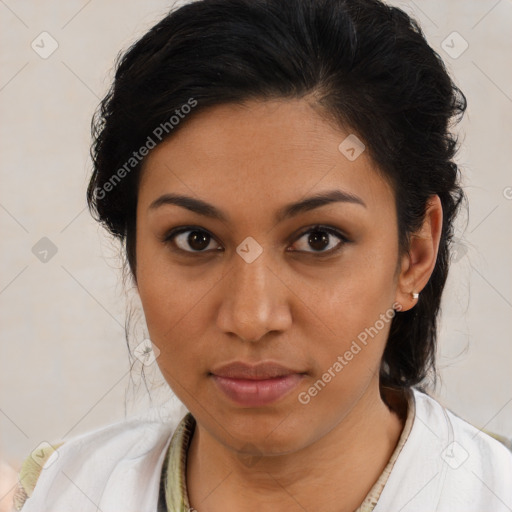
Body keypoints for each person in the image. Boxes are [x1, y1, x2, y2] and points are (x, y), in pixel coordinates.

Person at [13, 0, 512, 511]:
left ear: (414, 255)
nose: (251, 318)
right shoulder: (57, 495)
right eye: (195, 239)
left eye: (319, 239)